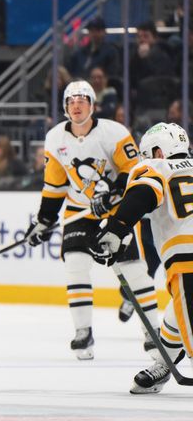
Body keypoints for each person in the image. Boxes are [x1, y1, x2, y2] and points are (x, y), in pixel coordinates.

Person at [25, 80, 160, 361]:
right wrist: (44, 220)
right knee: (75, 265)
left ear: (92, 105)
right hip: (78, 211)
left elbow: (134, 171)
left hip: (114, 213)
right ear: (65, 107)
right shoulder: (55, 138)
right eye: (71, 101)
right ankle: (83, 331)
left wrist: (113, 193)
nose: (76, 105)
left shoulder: (114, 132)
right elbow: (55, 186)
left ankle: (153, 332)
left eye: (82, 100)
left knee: (133, 269)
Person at [91, 122, 191, 394]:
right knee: (174, 320)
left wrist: (116, 227)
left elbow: (144, 193)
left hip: (188, 261)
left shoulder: (157, 167)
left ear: (159, 152)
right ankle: (164, 364)